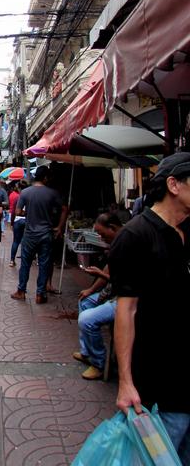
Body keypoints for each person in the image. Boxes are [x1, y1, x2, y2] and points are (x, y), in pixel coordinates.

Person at [109, 152, 190, 461]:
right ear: (174, 185)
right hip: (161, 383)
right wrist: (126, 382)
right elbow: (126, 312)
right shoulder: (135, 236)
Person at [72, 212, 122, 380]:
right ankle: (87, 352)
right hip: (110, 292)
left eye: (102, 233)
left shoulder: (127, 243)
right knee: (85, 302)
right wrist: (91, 289)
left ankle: (98, 363)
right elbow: (108, 270)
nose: (100, 238)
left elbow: (125, 281)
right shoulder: (116, 244)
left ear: (113, 228)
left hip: (123, 298)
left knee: (87, 320)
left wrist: (102, 274)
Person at [11, 165, 62, 304]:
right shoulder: (52, 193)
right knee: (44, 264)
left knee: (25, 263)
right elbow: (64, 208)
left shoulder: (26, 192)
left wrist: (28, 213)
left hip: (30, 234)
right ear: (45, 178)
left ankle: (21, 291)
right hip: (46, 233)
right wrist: (59, 227)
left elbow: (17, 212)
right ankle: (40, 294)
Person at [9, 181, 27, 267]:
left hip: (17, 220)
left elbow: (13, 212)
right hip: (26, 221)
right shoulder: (30, 197)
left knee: (15, 241)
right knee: (24, 241)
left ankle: (12, 260)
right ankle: (24, 260)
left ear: (19, 188)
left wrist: (12, 223)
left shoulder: (18, 198)